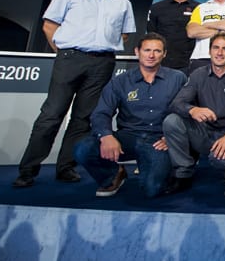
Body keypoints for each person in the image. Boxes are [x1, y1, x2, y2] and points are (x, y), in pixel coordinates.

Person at [13, 0, 135, 188]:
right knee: (51, 115)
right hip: (70, 58)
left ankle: (66, 167)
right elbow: (49, 25)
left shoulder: (122, 3)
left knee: (84, 119)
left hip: (103, 62)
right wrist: (64, 52)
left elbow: (125, 35)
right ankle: (28, 170)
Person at [73, 33, 187, 198]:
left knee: (152, 189)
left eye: (157, 51)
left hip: (159, 141)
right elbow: (101, 113)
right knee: (83, 149)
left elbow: (187, 110)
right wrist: (106, 136)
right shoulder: (120, 81)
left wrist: (173, 137)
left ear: (164, 54)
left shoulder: (177, 78)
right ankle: (114, 175)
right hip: (127, 138)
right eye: (147, 50)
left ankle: (151, 168)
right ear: (137, 52)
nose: (151, 55)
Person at [162, 33, 225, 194]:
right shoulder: (198, 74)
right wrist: (193, 110)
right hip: (204, 132)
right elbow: (177, 103)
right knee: (172, 121)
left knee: (222, 161)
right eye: (216, 48)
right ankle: (183, 173)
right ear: (209, 51)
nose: (219, 53)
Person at [146, 0, 199, 70]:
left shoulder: (199, 8)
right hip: (161, 63)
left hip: (189, 63)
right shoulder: (157, 7)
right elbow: (151, 35)